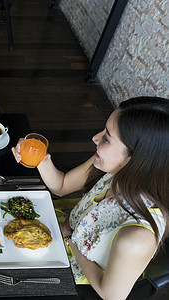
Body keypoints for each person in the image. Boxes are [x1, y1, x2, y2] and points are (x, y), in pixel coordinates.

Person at [12, 97, 168, 299]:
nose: (95, 138)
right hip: (59, 234)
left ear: (137, 158)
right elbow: (61, 185)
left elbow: (110, 295)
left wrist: (71, 243)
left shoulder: (137, 238)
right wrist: (40, 158)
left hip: (72, 278)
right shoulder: (111, 165)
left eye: (106, 138)